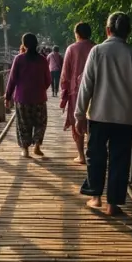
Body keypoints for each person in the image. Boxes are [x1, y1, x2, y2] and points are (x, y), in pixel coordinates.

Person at [75, 12, 132, 216]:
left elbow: (86, 85)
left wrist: (79, 114)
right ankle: (113, 204)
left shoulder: (97, 51)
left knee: (95, 155)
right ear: (128, 32)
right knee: (120, 159)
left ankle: (95, 197)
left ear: (108, 30)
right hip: (126, 117)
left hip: (99, 115)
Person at [5, 33, 52, 158]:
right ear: (36, 44)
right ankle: (37, 146)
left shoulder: (19, 59)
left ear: (24, 45)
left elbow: (12, 79)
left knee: (23, 123)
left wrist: (8, 96)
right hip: (39, 98)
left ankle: (25, 149)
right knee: (40, 122)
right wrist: (41, 89)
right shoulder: (42, 60)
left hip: (22, 98)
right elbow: (48, 80)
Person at [60, 22, 95, 164]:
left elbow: (65, 73)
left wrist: (64, 92)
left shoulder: (72, 49)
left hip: (76, 91)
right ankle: (92, 153)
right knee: (92, 121)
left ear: (77, 34)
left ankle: (81, 155)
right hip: (95, 90)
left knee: (77, 121)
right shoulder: (96, 48)